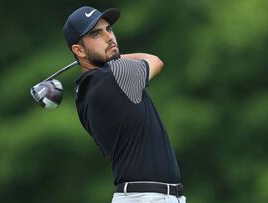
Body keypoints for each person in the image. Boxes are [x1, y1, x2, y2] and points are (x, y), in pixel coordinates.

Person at [63, 6, 186, 203]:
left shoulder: (84, 91)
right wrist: (115, 56)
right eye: (96, 34)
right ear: (79, 50)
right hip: (149, 198)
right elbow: (155, 60)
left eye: (109, 29)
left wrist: (105, 56)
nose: (109, 37)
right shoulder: (115, 74)